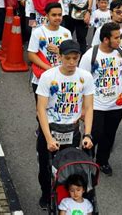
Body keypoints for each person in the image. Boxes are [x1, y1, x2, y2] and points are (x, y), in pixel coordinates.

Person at [35, 39, 94, 209]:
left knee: (69, 167)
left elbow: (89, 107)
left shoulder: (85, 77)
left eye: (75, 58)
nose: (71, 62)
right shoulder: (48, 77)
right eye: (67, 58)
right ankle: (46, 194)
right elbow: (41, 109)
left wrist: (88, 134)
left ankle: (67, 197)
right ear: (60, 57)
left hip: (72, 130)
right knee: (46, 167)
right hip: (51, 129)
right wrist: (48, 139)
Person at [79, 22, 122, 176]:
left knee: (109, 136)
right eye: (116, 38)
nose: (119, 41)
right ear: (105, 39)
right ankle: (86, 162)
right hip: (95, 105)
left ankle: (102, 161)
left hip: (116, 105)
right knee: (94, 134)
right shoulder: (90, 55)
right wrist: (82, 108)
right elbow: (81, 83)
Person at [27, 2, 72, 101]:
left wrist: (59, 51)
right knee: (42, 112)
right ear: (47, 16)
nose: (57, 18)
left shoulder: (67, 33)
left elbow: (71, 55)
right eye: (54, 15)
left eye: (60, 15)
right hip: (41, 79)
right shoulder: (37, 32)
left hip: (62, 78)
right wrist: (48, 68)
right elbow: (31, 55)